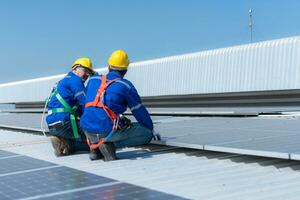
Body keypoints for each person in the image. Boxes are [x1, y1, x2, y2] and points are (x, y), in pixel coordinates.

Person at [80, 50, 156, 161]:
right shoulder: (125, 85)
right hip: (106, 131)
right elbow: (138, 110)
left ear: (109, 66)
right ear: (125, 70)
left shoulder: (93, 80)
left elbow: (85, 104)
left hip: (87, 128)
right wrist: (150, 128)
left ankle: (94, 147)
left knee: (99, 121)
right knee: (146, 133)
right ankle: (109, 145)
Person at [46, 58, 94, 156]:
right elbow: (85, 104)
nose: (87, 75)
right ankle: (66, 144)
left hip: (52, 125)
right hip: (64, 123)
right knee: (95, 140)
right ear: (75, 69)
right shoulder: (76, 80)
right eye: (85, 70)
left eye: (89, 73)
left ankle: (61, 140)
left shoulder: (62, 82)